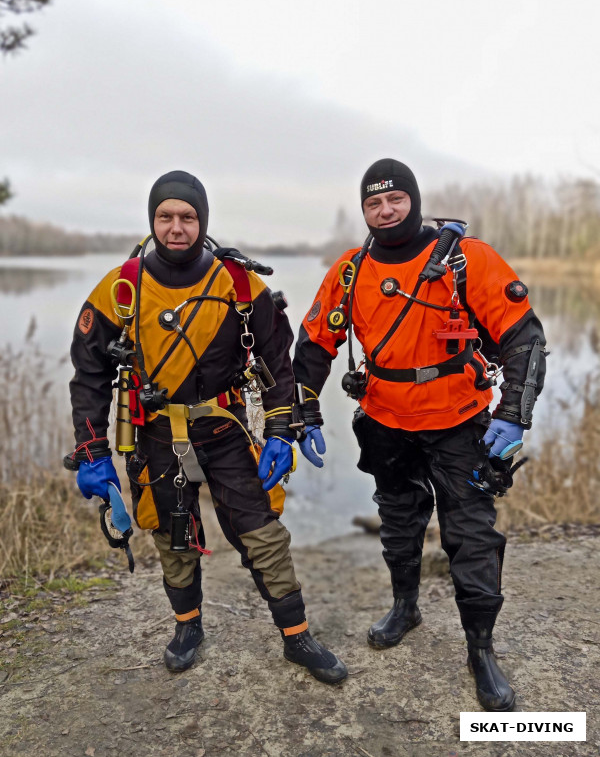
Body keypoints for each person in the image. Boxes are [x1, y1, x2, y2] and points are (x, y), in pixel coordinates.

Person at [64, 170, 347, 684]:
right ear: (152, 220)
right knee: (173, 539)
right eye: (166, 217)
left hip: (225, 432)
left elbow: (279, 363)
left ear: (203, 220)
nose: (177, 227)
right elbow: (89, 376)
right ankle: (187, 627)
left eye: (188, 217)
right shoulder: (121, 288)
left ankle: (297, 636)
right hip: (152, 437)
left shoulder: (238, 283)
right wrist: (92, 452)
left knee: (263, 537)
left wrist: (283, 431)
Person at [292, 158, 547, 711]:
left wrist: (514, 415)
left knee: (471, 538)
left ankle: (481, 649)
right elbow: (314, 345)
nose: (385, 211)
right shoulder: (350, 271)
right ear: (364, 210)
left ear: (414, 200)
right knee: (399, 524)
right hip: (386, 421)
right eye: (373, 203)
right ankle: (405, 607)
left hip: (459, 420)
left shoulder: (463, 260)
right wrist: (302, 409)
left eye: (395, 200)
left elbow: (524, 337)